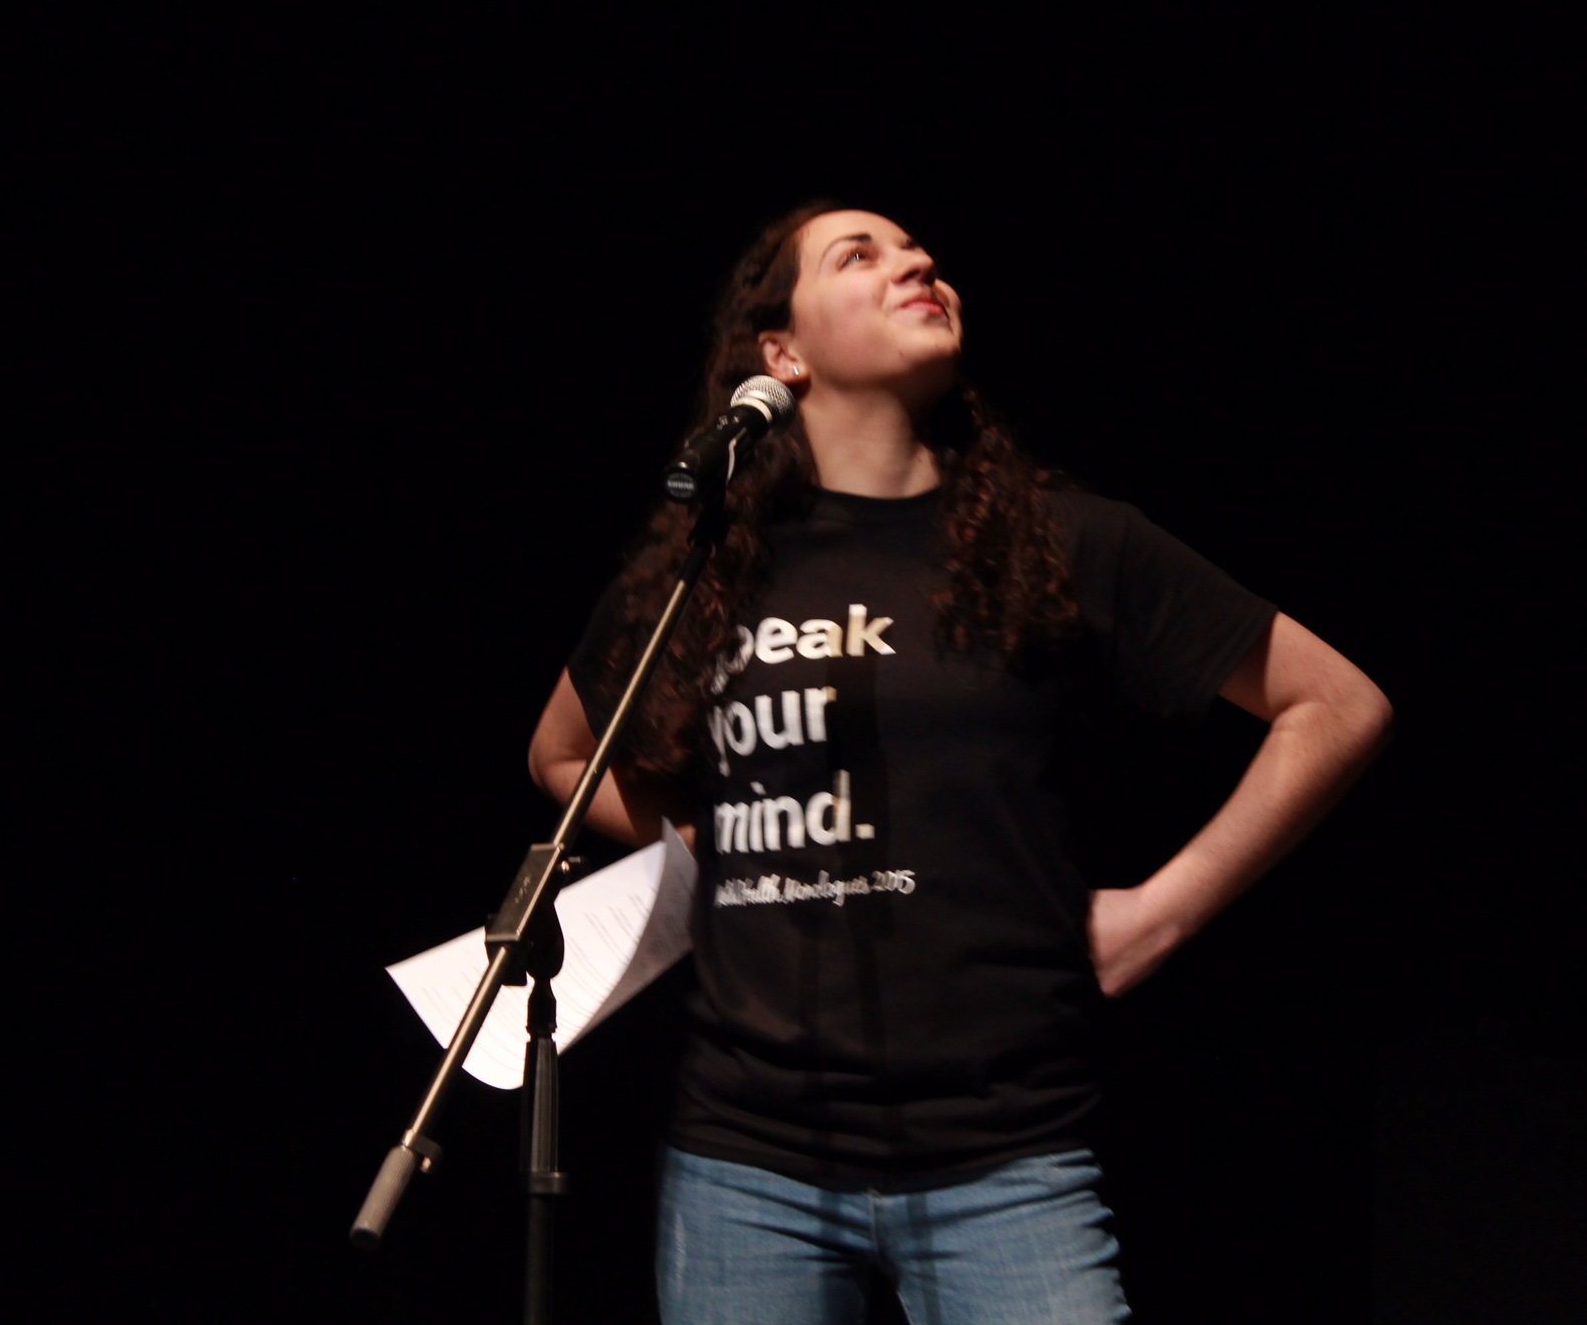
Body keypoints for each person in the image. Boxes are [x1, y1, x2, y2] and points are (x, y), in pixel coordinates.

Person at [528, 202, 1392, 1323]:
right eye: (861, 254)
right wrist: (709, 839)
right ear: (781, 353)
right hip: (748, 1165)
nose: (918, 261)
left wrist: (1165, 910)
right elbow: (564, 752)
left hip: (1004, 1156)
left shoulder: (1060, 536)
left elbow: (1336, 704)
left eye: (917, 249)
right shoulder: (714, 561)